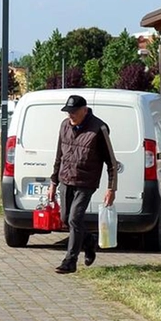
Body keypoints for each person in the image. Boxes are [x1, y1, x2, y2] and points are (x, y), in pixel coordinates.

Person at [49, 94, 118, 274]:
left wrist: (111, 188)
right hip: (65, 179)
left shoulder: (98, 128)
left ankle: (70, 261)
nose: (70, 115)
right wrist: (53, 182)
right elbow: (59, 156)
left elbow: (111, 162)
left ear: (84, 110)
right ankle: (89, 241)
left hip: (86, 181)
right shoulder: (64, 126)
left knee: (75, 218)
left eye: (73, 112)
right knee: (65, 218)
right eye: (68, 112)